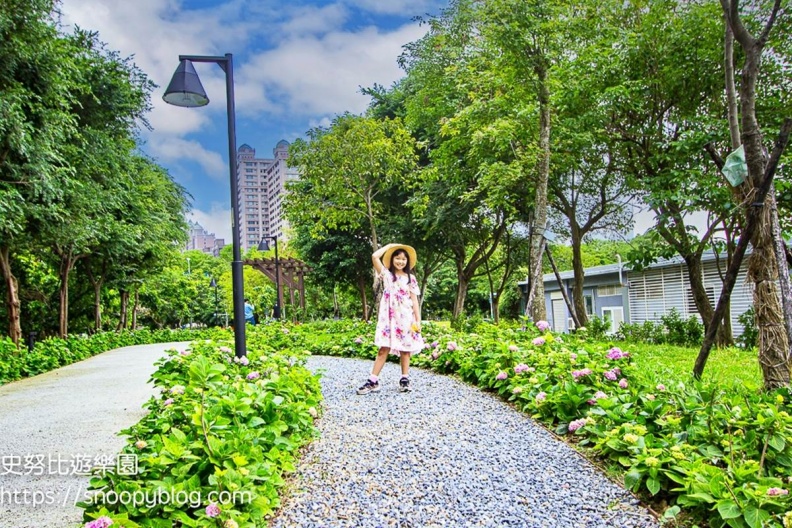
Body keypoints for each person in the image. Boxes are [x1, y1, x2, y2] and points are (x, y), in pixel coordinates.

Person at [357, 243, 424, 394]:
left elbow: (414, 300)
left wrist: (418, 320)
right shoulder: (386, 274)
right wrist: (390, 246)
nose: (400, 261)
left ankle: (405, 379)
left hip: (406, 316)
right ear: (392, 259)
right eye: (397, 258)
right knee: (383, 348)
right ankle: (373, 381)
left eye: (403, 259)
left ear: (407, 262)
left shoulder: (410, 278)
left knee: (405, 349)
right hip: (388, 318)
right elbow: (374, 256)